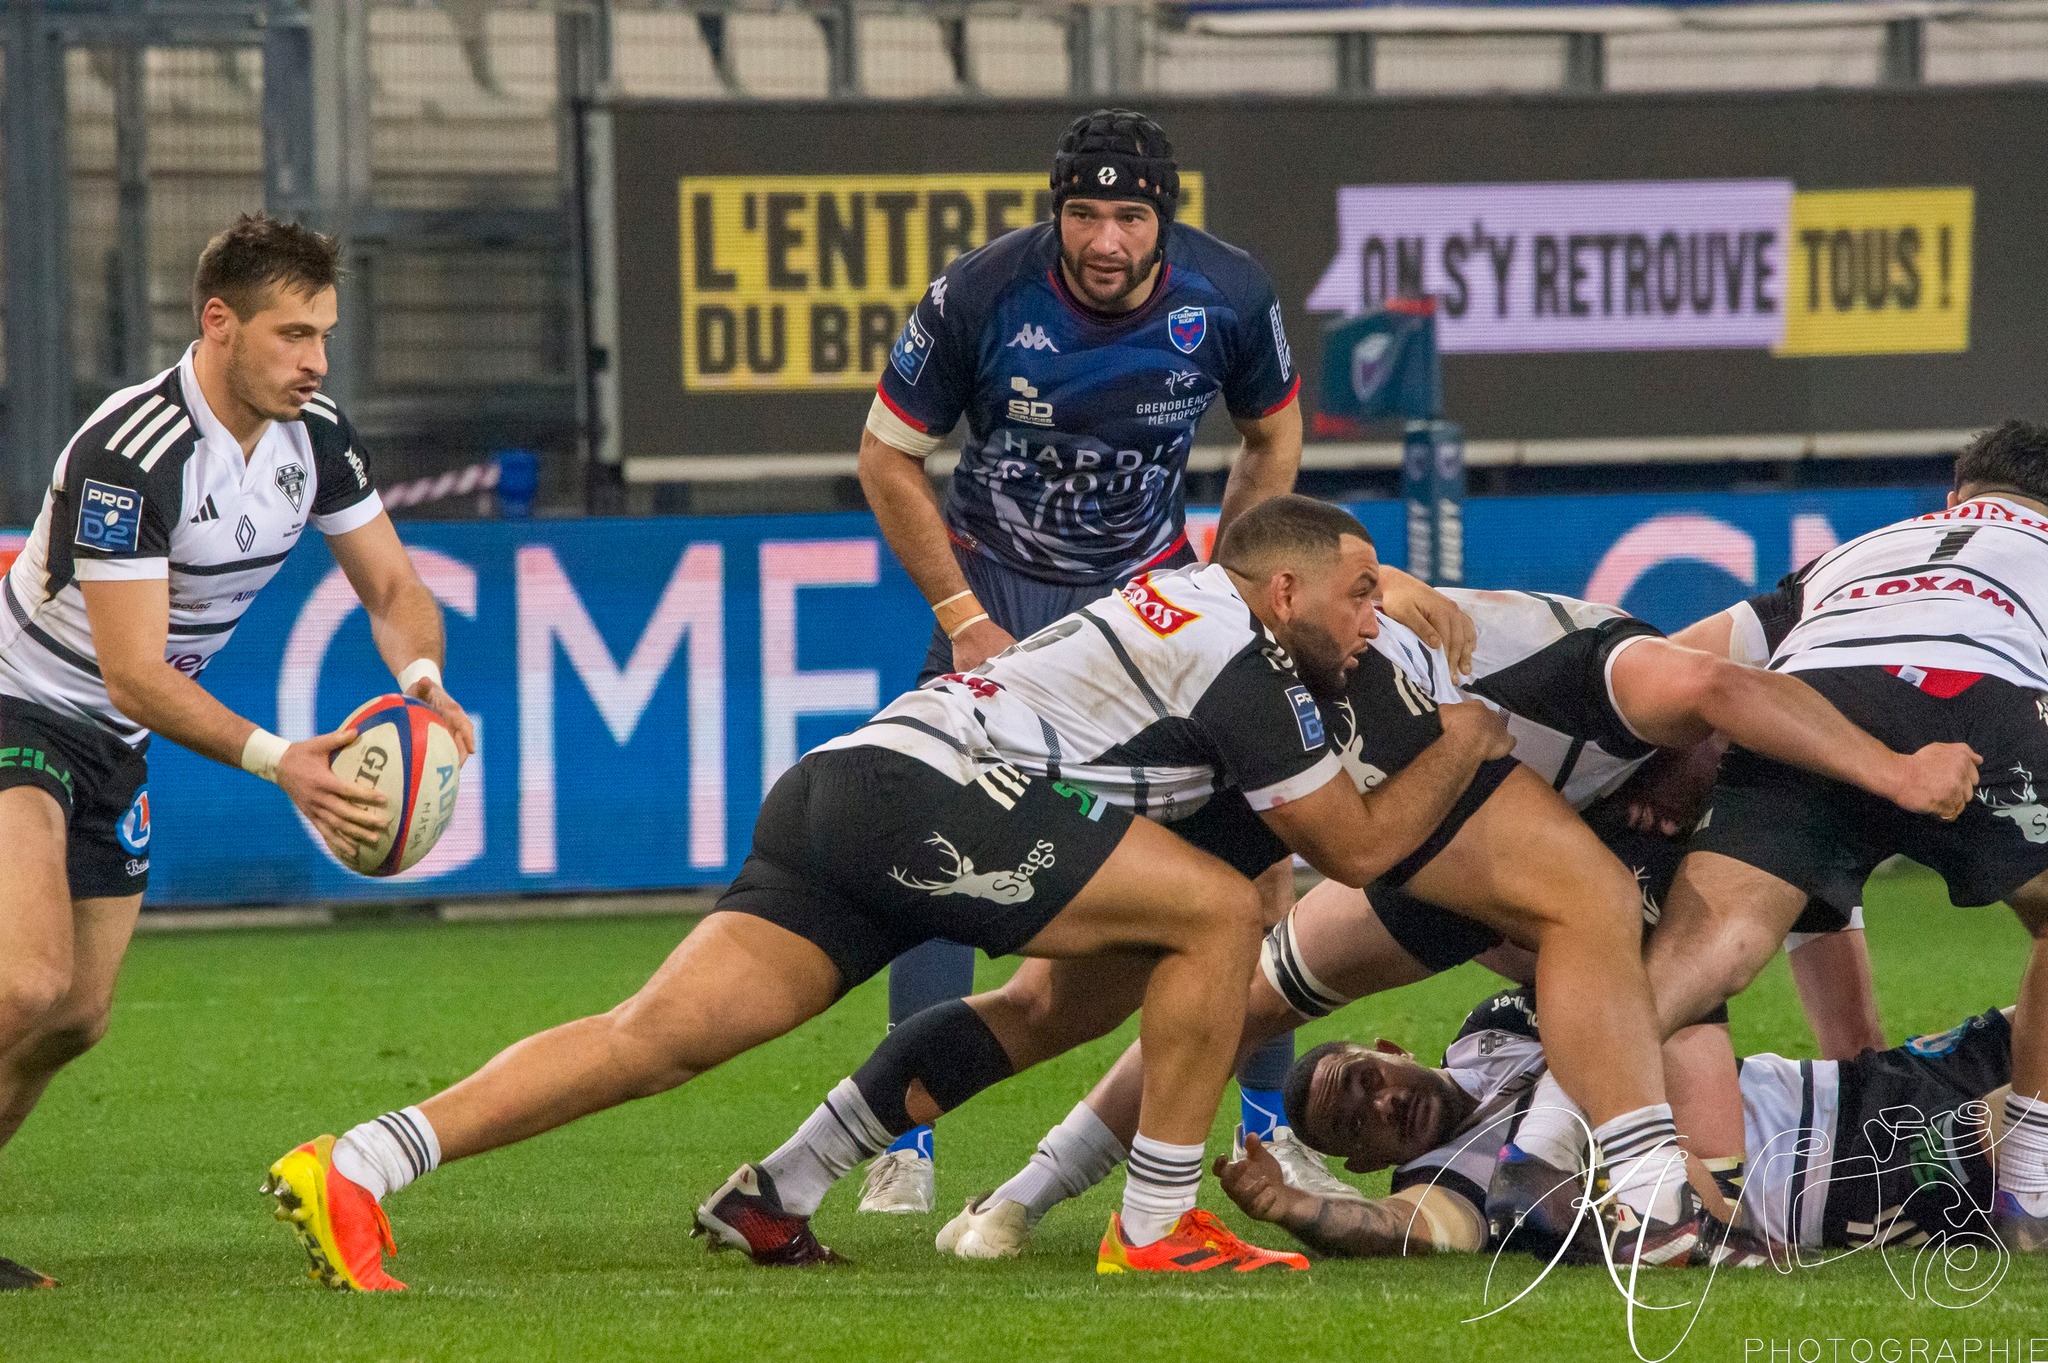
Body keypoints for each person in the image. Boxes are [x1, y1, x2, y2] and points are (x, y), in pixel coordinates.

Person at [263, 496, 1466, 1288]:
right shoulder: (1251, 656)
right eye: (1359, 594)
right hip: (938, 790)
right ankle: (1154, 1224)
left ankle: (364, 1162)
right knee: (1218, 914)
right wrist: (1467, 740)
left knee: (661, 1036)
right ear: (1284, 594)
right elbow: (1351, 850)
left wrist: (1388, 586)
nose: (1373, 619)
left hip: (848, 780)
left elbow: (1278, 592)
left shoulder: (1212, 603)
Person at [934, 587, 1976, 1264]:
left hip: (1501, 860)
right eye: (1705, 749)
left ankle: (1649, 1193)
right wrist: (1893, 771)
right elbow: (1719, 673)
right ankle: (1028, 1187)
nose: (1675, 802)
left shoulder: (1766, 818)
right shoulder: (1666, 672)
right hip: (1452, 836)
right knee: (1239, 989)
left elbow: (1826, 963)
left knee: (1659, 978)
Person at [851, 105, 1335, 1213]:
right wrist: (962, 614)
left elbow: (1274, 435)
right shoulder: (980, 293)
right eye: (1082, 215)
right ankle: (902, 1143)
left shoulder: (1229, 293)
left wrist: (1228, 585)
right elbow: (884, 456)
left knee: (1254, 851)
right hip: (1001, 601)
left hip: (1153, 606)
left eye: (1129, 218)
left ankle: (1267, 1129)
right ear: (1055, 214)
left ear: (1163, 220)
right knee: (929, 860)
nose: (1105, 241)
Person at [0, 213, 474, 1291]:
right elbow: (133, 672)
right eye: (293, 335)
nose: (317, 362)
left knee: (74, 1016)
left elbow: (393, 588)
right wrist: (279, 759)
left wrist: (422, 682)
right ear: (219, 323)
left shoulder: (317, 437)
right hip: (19, 707)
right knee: (24, 981)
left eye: (324, 336)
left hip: (112, 742)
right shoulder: (131, 454)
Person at [1642, 419, 2048, 1253]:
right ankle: (2030, 1189)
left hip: (1814, 700)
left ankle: (1545, 1142)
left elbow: (1674, 662)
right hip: (1983, 689)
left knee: (1713, 951)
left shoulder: (1861, 550)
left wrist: (1665, 765)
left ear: (1955, 499)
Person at [1218, 987, 2016, 1265]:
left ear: (1389, 1049)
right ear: (1362, 1164)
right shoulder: (1443, 1179)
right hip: (1842, 1175)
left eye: (1367, 1080)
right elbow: (1405, 1228)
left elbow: (1608, 966)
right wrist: (1296, 1210)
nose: (1381, 1104)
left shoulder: (1493, 1025)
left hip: (1849, 1081)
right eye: (1355, 1125)